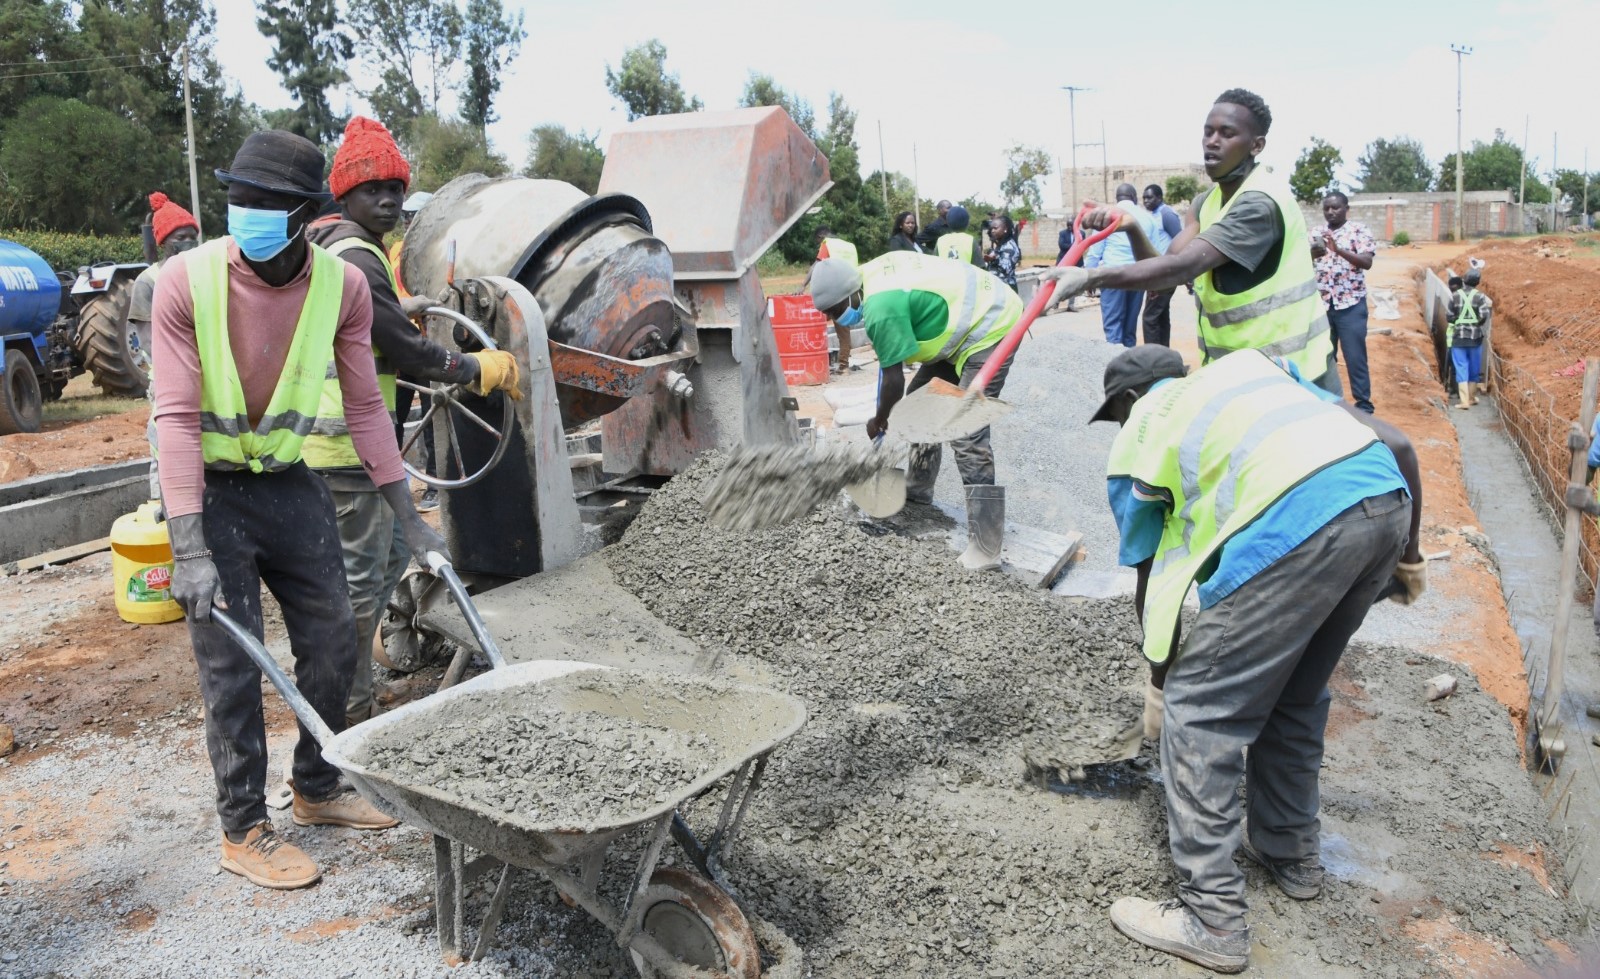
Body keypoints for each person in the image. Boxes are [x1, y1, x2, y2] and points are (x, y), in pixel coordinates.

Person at [151, 129, 449, 890]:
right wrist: (187, 548)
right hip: (211, 494)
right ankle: (243, 825)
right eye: (237, 199)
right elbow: (177, 420)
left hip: (289, 481)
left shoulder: (341, 286)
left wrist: (409, 516)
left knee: (331, 638)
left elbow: (365, 408)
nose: (243, 213)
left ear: (302, 215)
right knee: (232, 662)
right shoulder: (185, 282)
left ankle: (316, 787)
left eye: (263, 204)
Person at [1091, 345, 1425, 973]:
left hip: (1304, 527)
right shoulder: (1251, 371)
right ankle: (1290, 854)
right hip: (1384, 499)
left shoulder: (1141, 434)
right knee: (1296, 691)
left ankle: (1211, 919)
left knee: (1203, 714)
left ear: (1126, 403)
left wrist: (1162, 681)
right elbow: (1400, 444)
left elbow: (1153, 577)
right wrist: (1409, 556)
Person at [303, 116, 522, 726]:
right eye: (374, 188)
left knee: (396, 547)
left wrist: (399, 308)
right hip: (345, 449)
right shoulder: (357, 258)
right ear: (343, 193)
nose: (390, 199)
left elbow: (367, 324)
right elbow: (406, 352)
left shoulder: (341, 249)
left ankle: (355, 693)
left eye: (396, 187)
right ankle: (348, 718)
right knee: (357, 587)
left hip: (353, 446)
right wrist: (477, 367)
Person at [1041, 89, 1339, 392]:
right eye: (1208, 132)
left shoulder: (1259, 204)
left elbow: (1181, 268)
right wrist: (1131, 227)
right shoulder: (1205, 204)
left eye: (1227, 133)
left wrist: (1089, 277)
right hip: (1238, 376)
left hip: (1296, 376)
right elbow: (1162, 277)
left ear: (1256, 145)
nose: (1212, 141)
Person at [807, 253, 1023, 569]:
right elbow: (893, 378)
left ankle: (986, 546)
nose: (836, 319)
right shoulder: (862, 278)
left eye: (836, 310)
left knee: (966, 432)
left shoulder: (881, 309)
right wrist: (886, 417)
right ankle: (919, 490)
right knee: (920, 398)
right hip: (961, 328)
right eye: (829, 315)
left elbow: (892, 379)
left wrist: (880, 419)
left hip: (991, 325)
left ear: (851, 293)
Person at [392, 189, 441, 511]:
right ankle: (392, 481)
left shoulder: (438, 252)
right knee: (391, 417)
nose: (409, 221)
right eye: (407, 216)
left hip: (428, 345)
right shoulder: (395, 252)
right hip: (396, 344)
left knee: (432, 415)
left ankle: (435, 483)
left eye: (415, 216)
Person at [1311, 191, 1377, 412]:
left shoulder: (1359, 231)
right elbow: (1302, 260)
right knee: (1323, 356)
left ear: (1346, 209)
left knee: (1355, 356)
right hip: (1323, 305)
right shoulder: (1316, 233)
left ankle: (1364, 405)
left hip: (1351, 305)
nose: (1330, 212)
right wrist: (1312, 254)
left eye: (1335, 207)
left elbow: (1366, 262)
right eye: (1326, 208)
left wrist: (1338, 250)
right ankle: (1327, 402)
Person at [129, 193, 201, 372]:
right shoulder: (147, 283)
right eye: (180, 238)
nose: (189, 242)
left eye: (192, 237)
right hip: (171, 372)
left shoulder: (204, 274)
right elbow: (149, 341)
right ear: (163, 242)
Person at [1083, 183, 1161, 347]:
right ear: (1134, 198)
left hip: (1113, 277)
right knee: (1129, 331)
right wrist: (1155, 284)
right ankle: (1129, 369)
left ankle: (1115, 367)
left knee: (1113, 330)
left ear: (1117, 198)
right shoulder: (1148, 219)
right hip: (1137, 277)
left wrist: (1088, 277)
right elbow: (1154, 254)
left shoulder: (1108, 215)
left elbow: (1096, 250)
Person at [1140, 185, 1183, 346]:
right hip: (1159, 272)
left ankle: (1153, 360)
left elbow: (1181, 240)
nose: (1146, 201)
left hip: (1165, 274)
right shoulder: (1155, 215)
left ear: (1159, 197)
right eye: (1144, 198)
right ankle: (1164, 359)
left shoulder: (1166, 215)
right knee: (1161, 315)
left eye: (1149, 197)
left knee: (1150, 318)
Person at [812, 227, 859, 373]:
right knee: (844, 330)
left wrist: (803, 285)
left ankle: (842, 366)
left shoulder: (827, 244)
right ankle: (843, 363)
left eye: (818, 241)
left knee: (823, 324)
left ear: (821, 236)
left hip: (834, 293)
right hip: (851, 291)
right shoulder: (849, 246)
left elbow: (817, 265)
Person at [1443, 267, 1491, 409]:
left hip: (1458, 337)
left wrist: (1458, 321)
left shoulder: (1455, 296)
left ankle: (1464, 401)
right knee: (1474, 368)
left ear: (1464, 280)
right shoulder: (1480, 297)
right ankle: (1471, 398)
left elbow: (1449, 316)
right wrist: (1475, 324)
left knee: (1461, 367)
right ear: (1478, 282)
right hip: (1475, 338)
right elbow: (1483, 316)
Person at [985, 215, 1021, 291]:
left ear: (1005, 229)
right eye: (991, 228)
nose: (992, 231)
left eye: (995, 228)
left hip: (1007, 289)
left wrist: (993, 259)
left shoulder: (1009, 247)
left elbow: (1005, 269)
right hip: (999, 287)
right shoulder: (1001, 245)